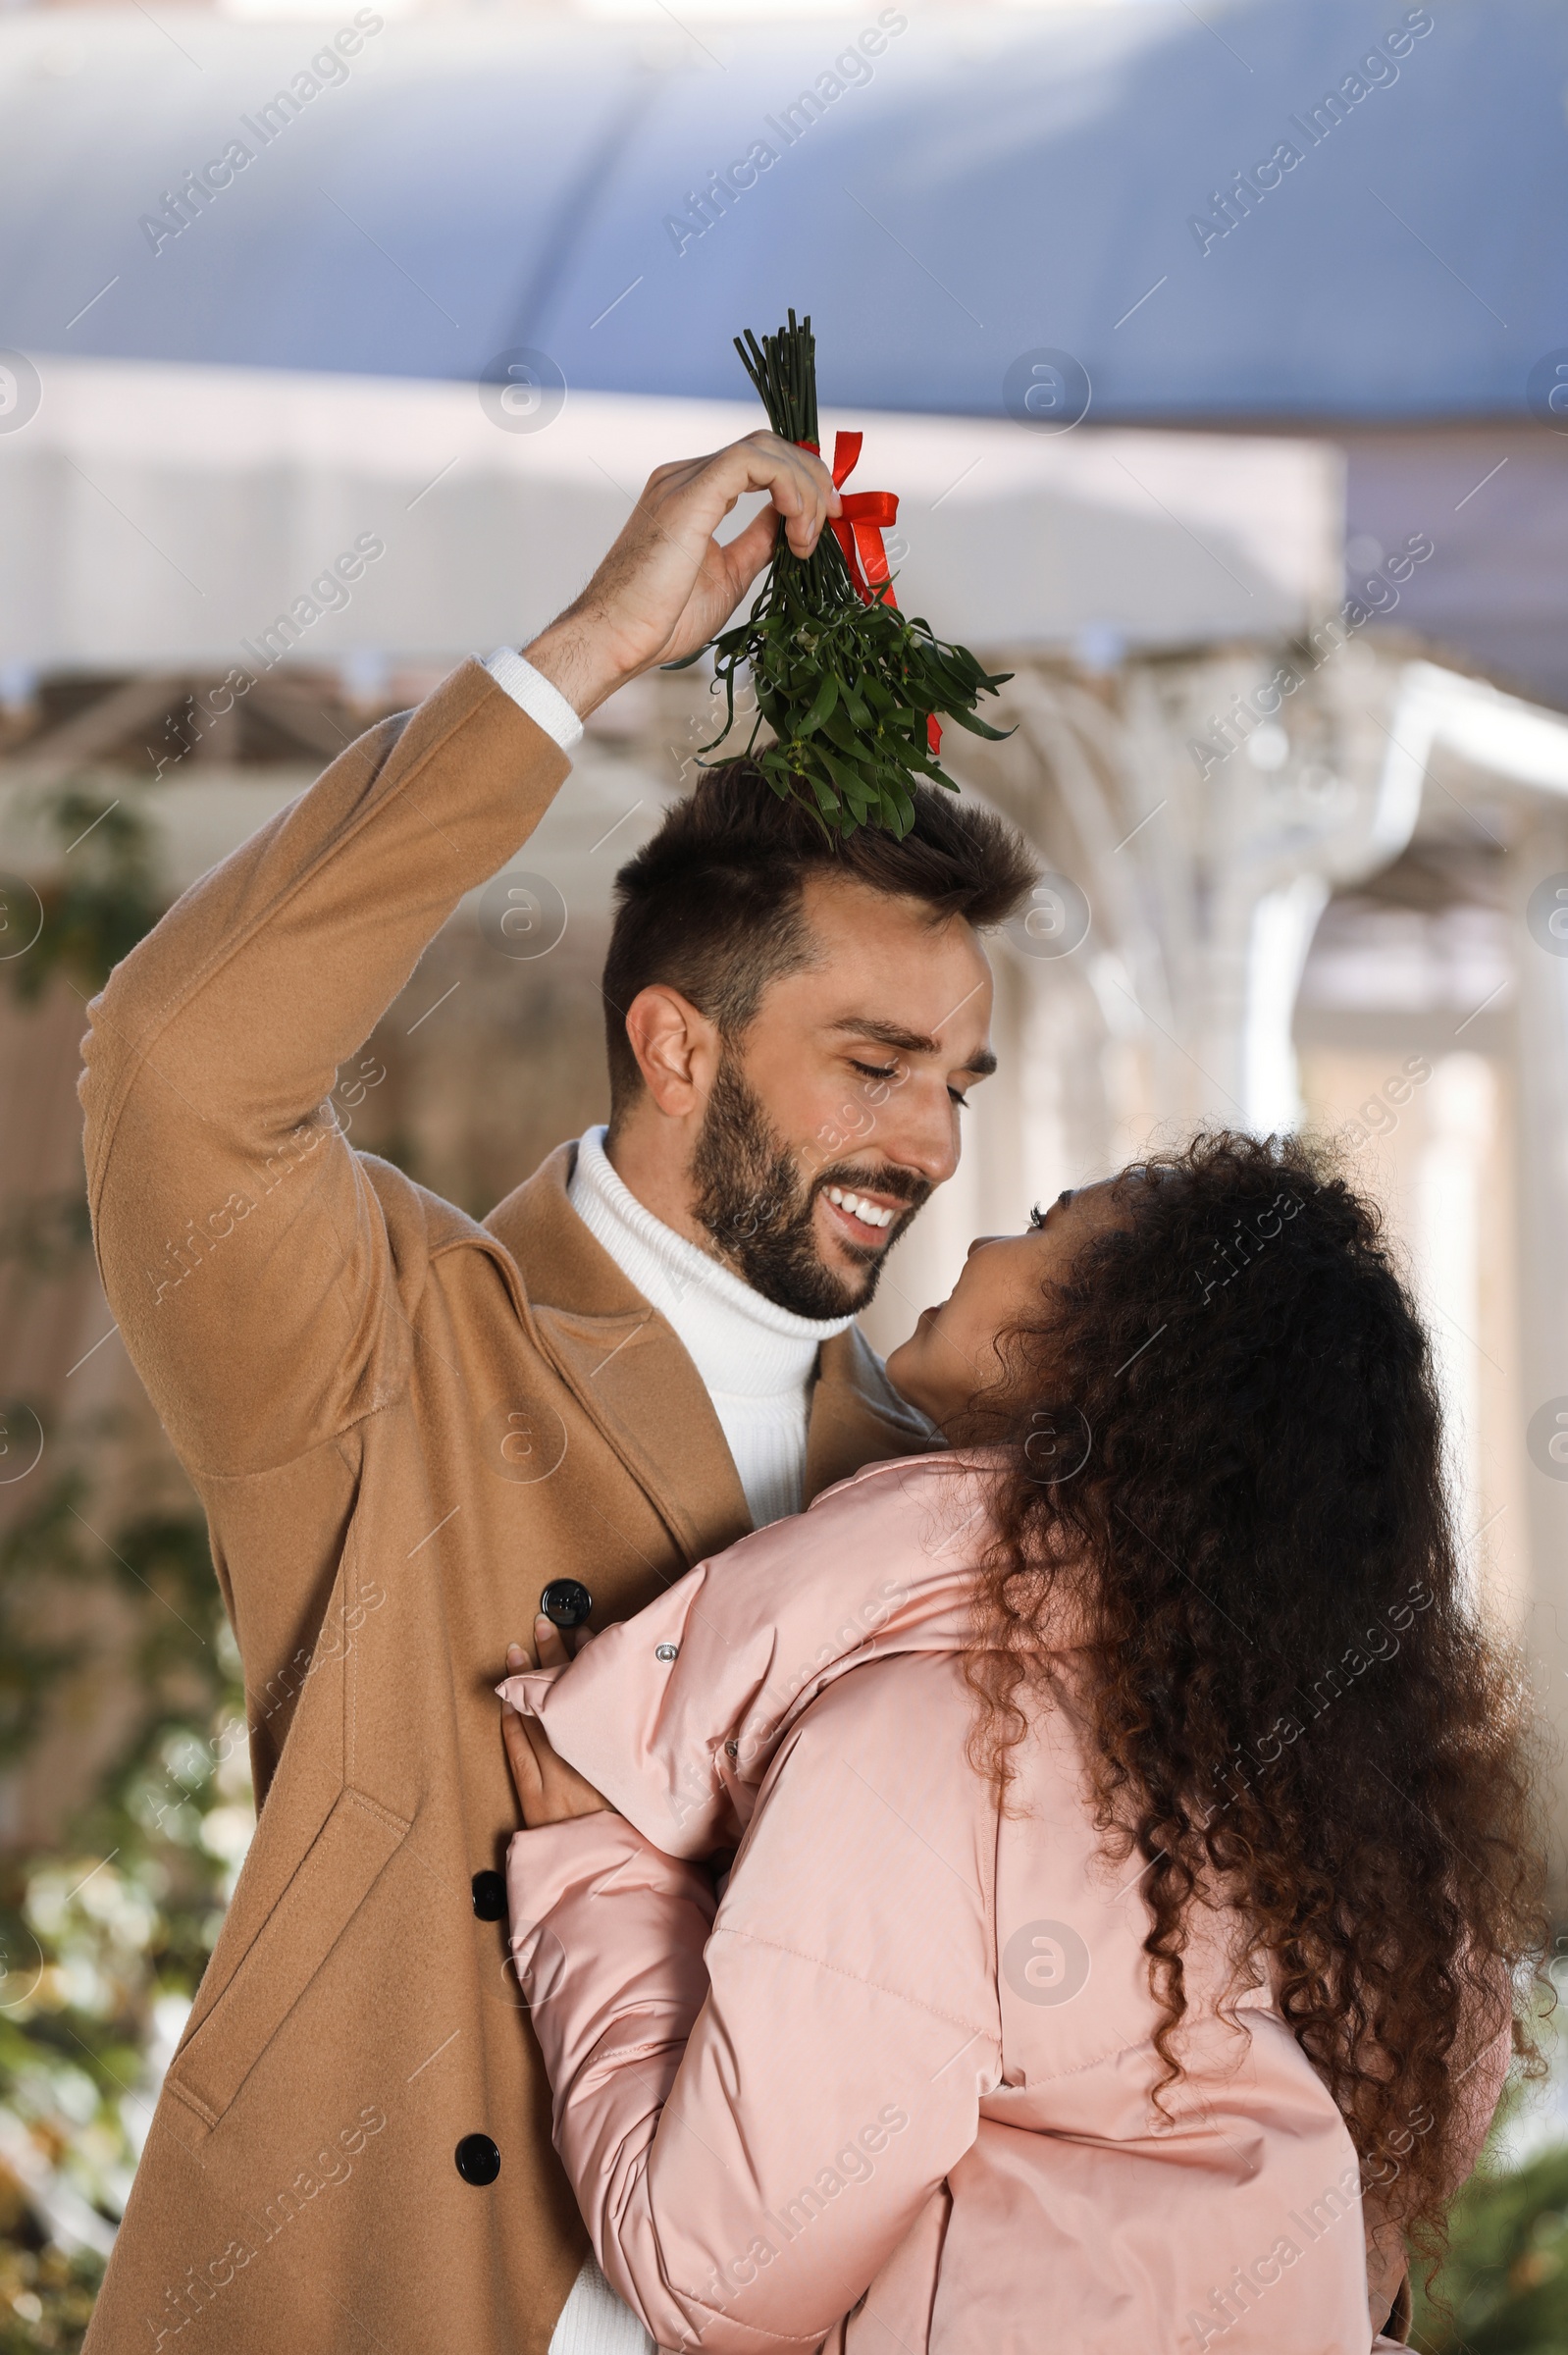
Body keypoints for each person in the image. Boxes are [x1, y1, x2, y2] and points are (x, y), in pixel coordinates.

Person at [76, 434, 1035, 2355]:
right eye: (871, 1063)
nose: (928, 1142)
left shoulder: (940, 1476)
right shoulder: (403, 1340)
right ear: (673, 1041)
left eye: (956, 1080)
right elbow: (173, 1061)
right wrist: (592, 648)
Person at [500, 1133, 1543, 2354]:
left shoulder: (941, 1751)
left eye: (1046, 1222)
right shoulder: (1365, 1820)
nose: (991, 1233)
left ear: (1119, 1349)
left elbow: (715, 2273)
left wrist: (597, 1867)